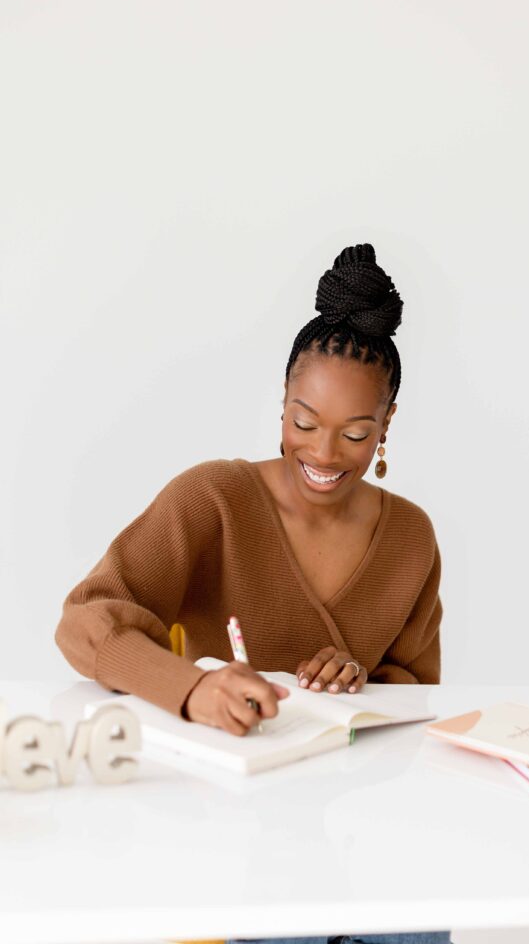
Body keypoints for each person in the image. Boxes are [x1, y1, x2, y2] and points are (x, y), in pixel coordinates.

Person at [55, 243, 449, 944]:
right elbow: (84, 623)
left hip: (354, 837)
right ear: (281, 406)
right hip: (222, 831)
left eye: (355, 433)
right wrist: (191, 687)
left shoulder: (411, 539)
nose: (323, 455)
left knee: (419, 923)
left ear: (386, 426)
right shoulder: (214, 499)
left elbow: (414, 697)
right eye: (304, 423)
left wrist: (360, 682)